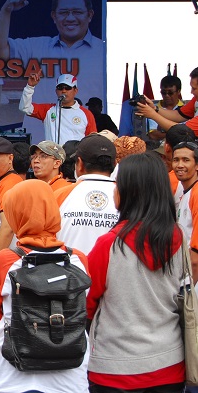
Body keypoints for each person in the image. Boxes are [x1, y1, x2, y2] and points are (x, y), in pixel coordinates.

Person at [86, 152, 185, 393]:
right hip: (169, 363)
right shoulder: (178, 238)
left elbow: (87, 302)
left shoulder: (108, 245)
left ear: (130, 191)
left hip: (113, 366)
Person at [0, 179, 90, 393]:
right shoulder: (78, 259)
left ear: (16, 214)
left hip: (13, 372)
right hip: (69, 372)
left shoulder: (5, 260)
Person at [0, 0, 104, 142]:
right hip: (40, 148)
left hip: (77, 156)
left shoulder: (104, 51)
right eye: (63, 12)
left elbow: (92, 140)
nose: (70, 18)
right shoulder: (36, 46)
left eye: (77, 12)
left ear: (89, 15)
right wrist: (6, 10)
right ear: (54, 16)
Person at [54, 134, 119, 255]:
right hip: (113, 267)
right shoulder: (128, 196)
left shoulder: (59, 195)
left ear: (79, 163)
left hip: (69, 266)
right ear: (115, 164)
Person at [19, 71, 96, 144]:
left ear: (75, 90)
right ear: (56, 91)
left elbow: (93, 141)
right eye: (60, 88)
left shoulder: (86, 114)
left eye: (67, 88)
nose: (64, 91)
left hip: (75, 153)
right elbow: (25, 108)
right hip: (53, 153)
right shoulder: (48, 110)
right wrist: (30, 87)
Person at [136, 70, 196, 136]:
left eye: (194, 88)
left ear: (178, 91)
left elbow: (185, 131)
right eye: (164, 92)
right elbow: (178, 115)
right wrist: (154, 108)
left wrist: (153, 115)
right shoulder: (196, 100)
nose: (191, 92)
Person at [145, 75, 184, 140]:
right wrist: (178, 134)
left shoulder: (186, 110)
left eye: (170, 93)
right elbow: (153, 135)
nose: (166, 95)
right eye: (163, 92)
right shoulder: (152, 109)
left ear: (179, 91)